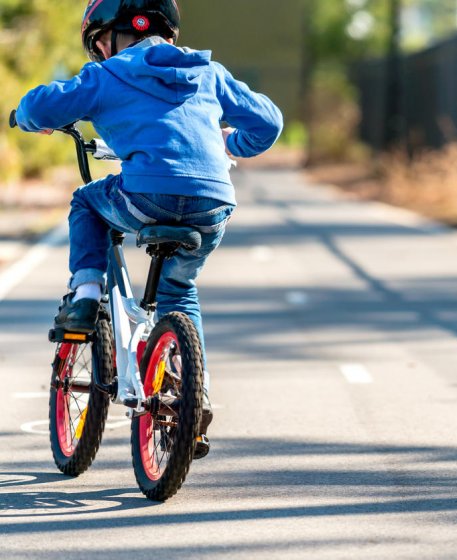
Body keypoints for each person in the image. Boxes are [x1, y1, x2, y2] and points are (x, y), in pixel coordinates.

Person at [15, 0, 283, 458]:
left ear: (110, 37)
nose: (100, 50)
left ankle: (83, 298)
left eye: (99, 41)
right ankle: (195, 398)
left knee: (87, 202)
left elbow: (42, 106)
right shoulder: (208, 72)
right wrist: (229, 143)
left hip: (147, 194)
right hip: (212, 203)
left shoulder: (108, 73)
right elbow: (269, 122)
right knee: (181, 293)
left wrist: (25, 118)